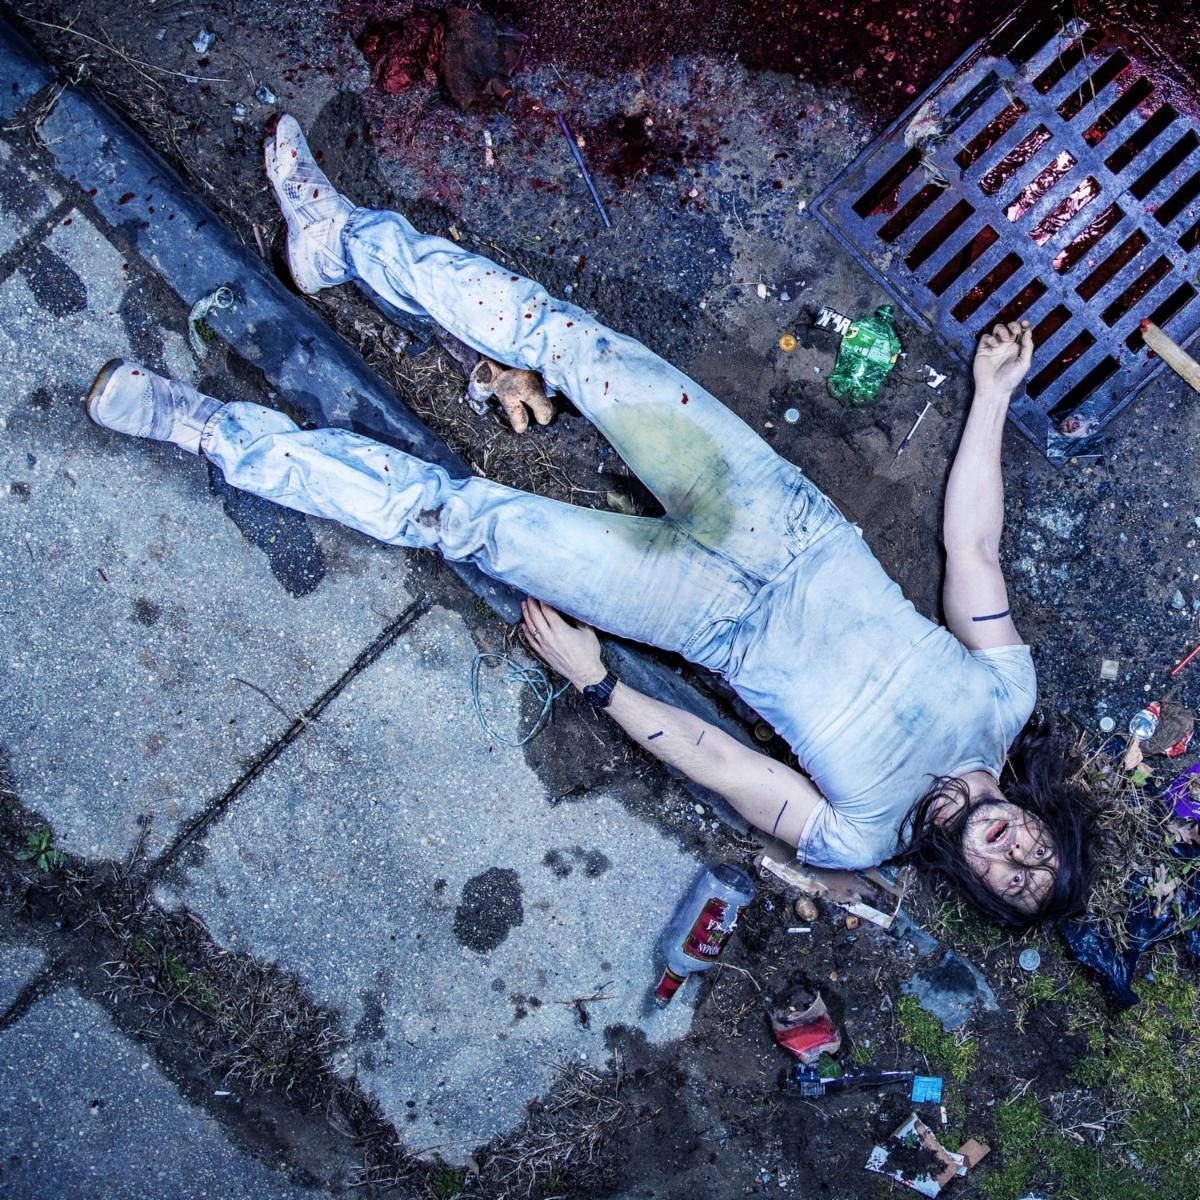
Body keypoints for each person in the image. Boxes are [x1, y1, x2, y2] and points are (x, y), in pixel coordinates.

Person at [85, 115, 1093, 928]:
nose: (1016, 852)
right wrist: (992, 396)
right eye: (1039, 849)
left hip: (699, 615)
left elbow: (720, 762)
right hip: (777, 514)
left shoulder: (862, 837)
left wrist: (597, 682)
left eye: (1013, 880)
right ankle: (343, 240)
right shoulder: (1003, 697)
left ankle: (215, 433)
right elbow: (972, 548)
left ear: (977, 886)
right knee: (565, 341)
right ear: (1040, 815)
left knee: (461, 518)